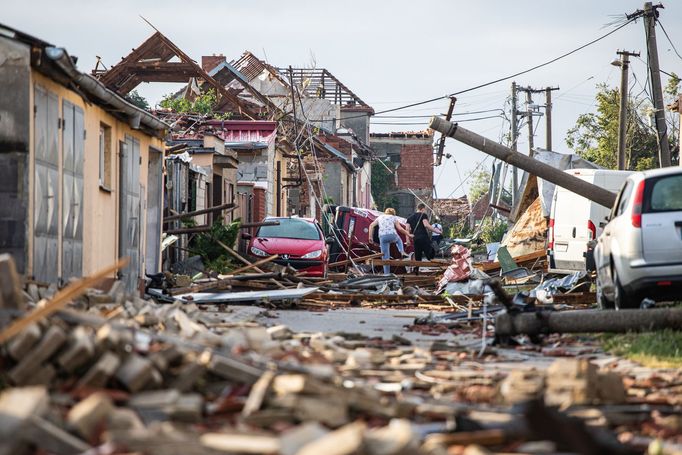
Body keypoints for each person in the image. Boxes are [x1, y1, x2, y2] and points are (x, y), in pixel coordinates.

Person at [369, 208, 412, 275]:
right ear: (393, 213)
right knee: (399, 240)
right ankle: (402, 252)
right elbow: (400, 229)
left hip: (382, 237)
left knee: (385, 257)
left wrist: (370, 237)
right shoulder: (393, 217)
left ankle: (386, 274)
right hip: (392, 235)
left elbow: (371, 225)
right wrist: (408, 234)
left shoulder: (380, 217)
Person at [406, 203, 442, 274]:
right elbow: (426, 225)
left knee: (418, 255)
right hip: (423, 237)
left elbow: (407, 229)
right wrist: (437, 231)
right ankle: (432, 259)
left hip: (415, 238)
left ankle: (416, 270)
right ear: (423, 209)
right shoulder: (423, 215)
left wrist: (407, 240)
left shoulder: (409, 218)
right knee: (430, 252)